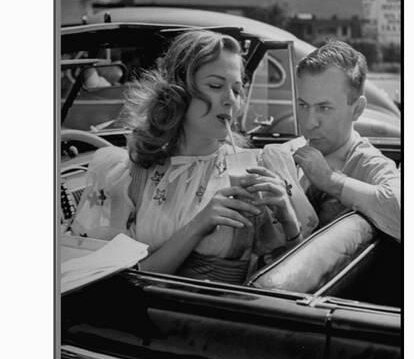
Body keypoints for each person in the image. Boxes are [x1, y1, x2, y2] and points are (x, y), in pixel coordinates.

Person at [71, 30, 318, 284]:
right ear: (179, 91)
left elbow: (291, 285)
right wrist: (198, 226)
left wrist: (288, 221)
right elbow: (113, 285)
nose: (231, 100)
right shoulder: (130, 173)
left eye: (237, 89)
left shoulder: (256, 171)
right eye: (215, 86)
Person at [286, 39, 400, 241]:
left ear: (357, 109)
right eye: (303, 105)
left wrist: (330, 180)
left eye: (324, 108)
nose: (310, 123)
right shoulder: (290, 154)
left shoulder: (368, 163)